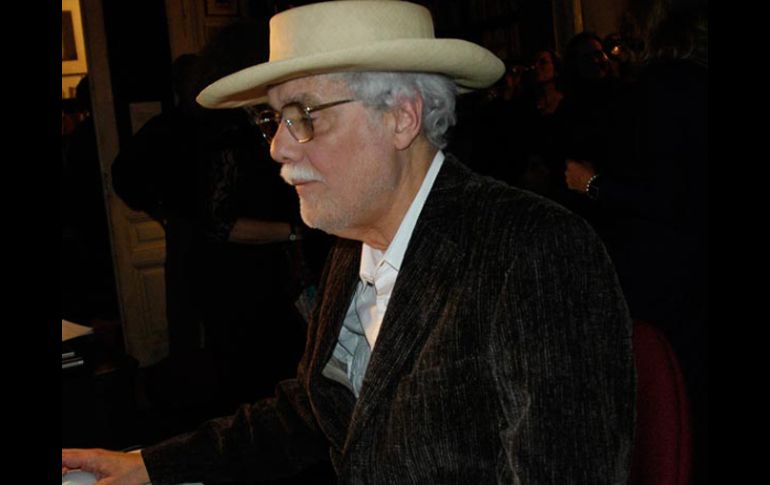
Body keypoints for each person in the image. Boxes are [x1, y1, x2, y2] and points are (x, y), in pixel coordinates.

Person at [62, 2, 635, 484]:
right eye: (273, 120)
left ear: (402, 117)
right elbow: (316, 411)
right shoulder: (350, 246)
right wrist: (148, 466)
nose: (278, 147)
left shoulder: (534, 252)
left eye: (304, 114)